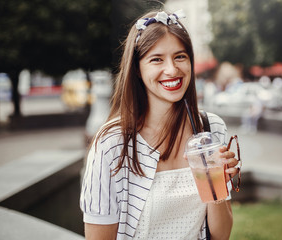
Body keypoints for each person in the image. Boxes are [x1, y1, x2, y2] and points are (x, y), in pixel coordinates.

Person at [80, 9, 239, 240]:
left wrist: (218, 184)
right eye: (156, 59)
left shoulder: (210, 128)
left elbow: (221, 235)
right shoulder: (111, 143)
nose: (172, 70)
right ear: (137, 68)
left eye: (180, 56)